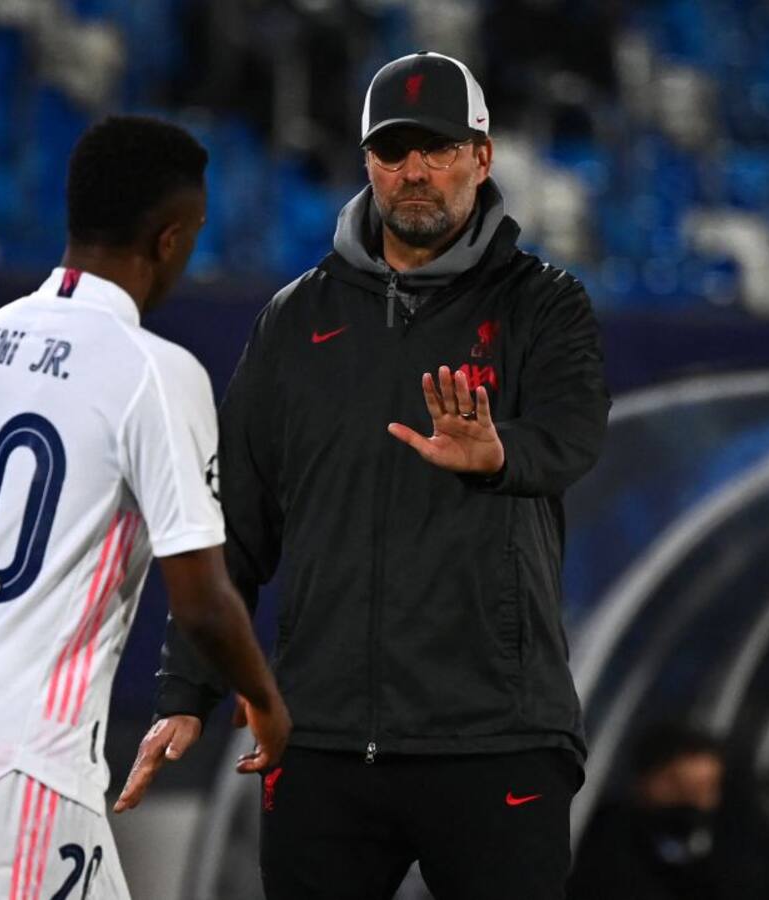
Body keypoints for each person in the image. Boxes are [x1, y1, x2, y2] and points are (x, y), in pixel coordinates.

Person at [118, 51, 610, 900]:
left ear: (482, 157)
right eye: (392, 150)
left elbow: (572, 434)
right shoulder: (294, 319)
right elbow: (234, 525)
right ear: (368, 163)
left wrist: (499, 455)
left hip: (496, 736)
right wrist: (187, 690)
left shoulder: (543, 304)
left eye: (438, 148)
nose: (414, 171)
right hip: (322, 739)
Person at [0, 115, 290, 899]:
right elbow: (202, 599)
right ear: (170, 238)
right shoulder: (153, 372)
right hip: (21, 768)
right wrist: (265, 700)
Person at [569, 723, 731, 900]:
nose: (692, 801)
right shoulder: (600, 841)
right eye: (678, 787)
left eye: (704, 790)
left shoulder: (720, 858)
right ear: (644, 780)